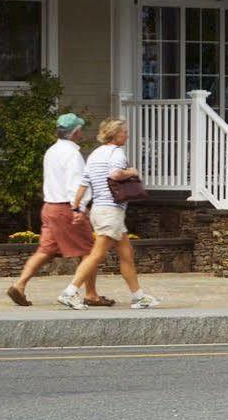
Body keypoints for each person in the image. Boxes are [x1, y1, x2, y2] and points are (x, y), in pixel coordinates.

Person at [6, 113, 106, 308]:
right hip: (66, 208)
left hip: (49, 207)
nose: (82, 132)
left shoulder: (51, 151)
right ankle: (91, 294)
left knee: (46, 249)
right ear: (75, 132)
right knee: (89, 250)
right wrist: (78, 209)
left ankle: (19, 285)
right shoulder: (72, 154)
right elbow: (75, 184)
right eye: (80, 129)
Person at [62, 117, 160, 311]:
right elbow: (115, 174)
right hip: (111, 211)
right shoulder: (117, 153)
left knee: (127, 254)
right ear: (115, 134)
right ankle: (70, 292)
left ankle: (139, 297)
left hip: (99, 209)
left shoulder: (95, 154)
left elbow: (84, 183)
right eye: (125, 132)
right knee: (96, 255)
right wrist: (132, 172)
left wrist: (76, 207)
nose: (128, 135)